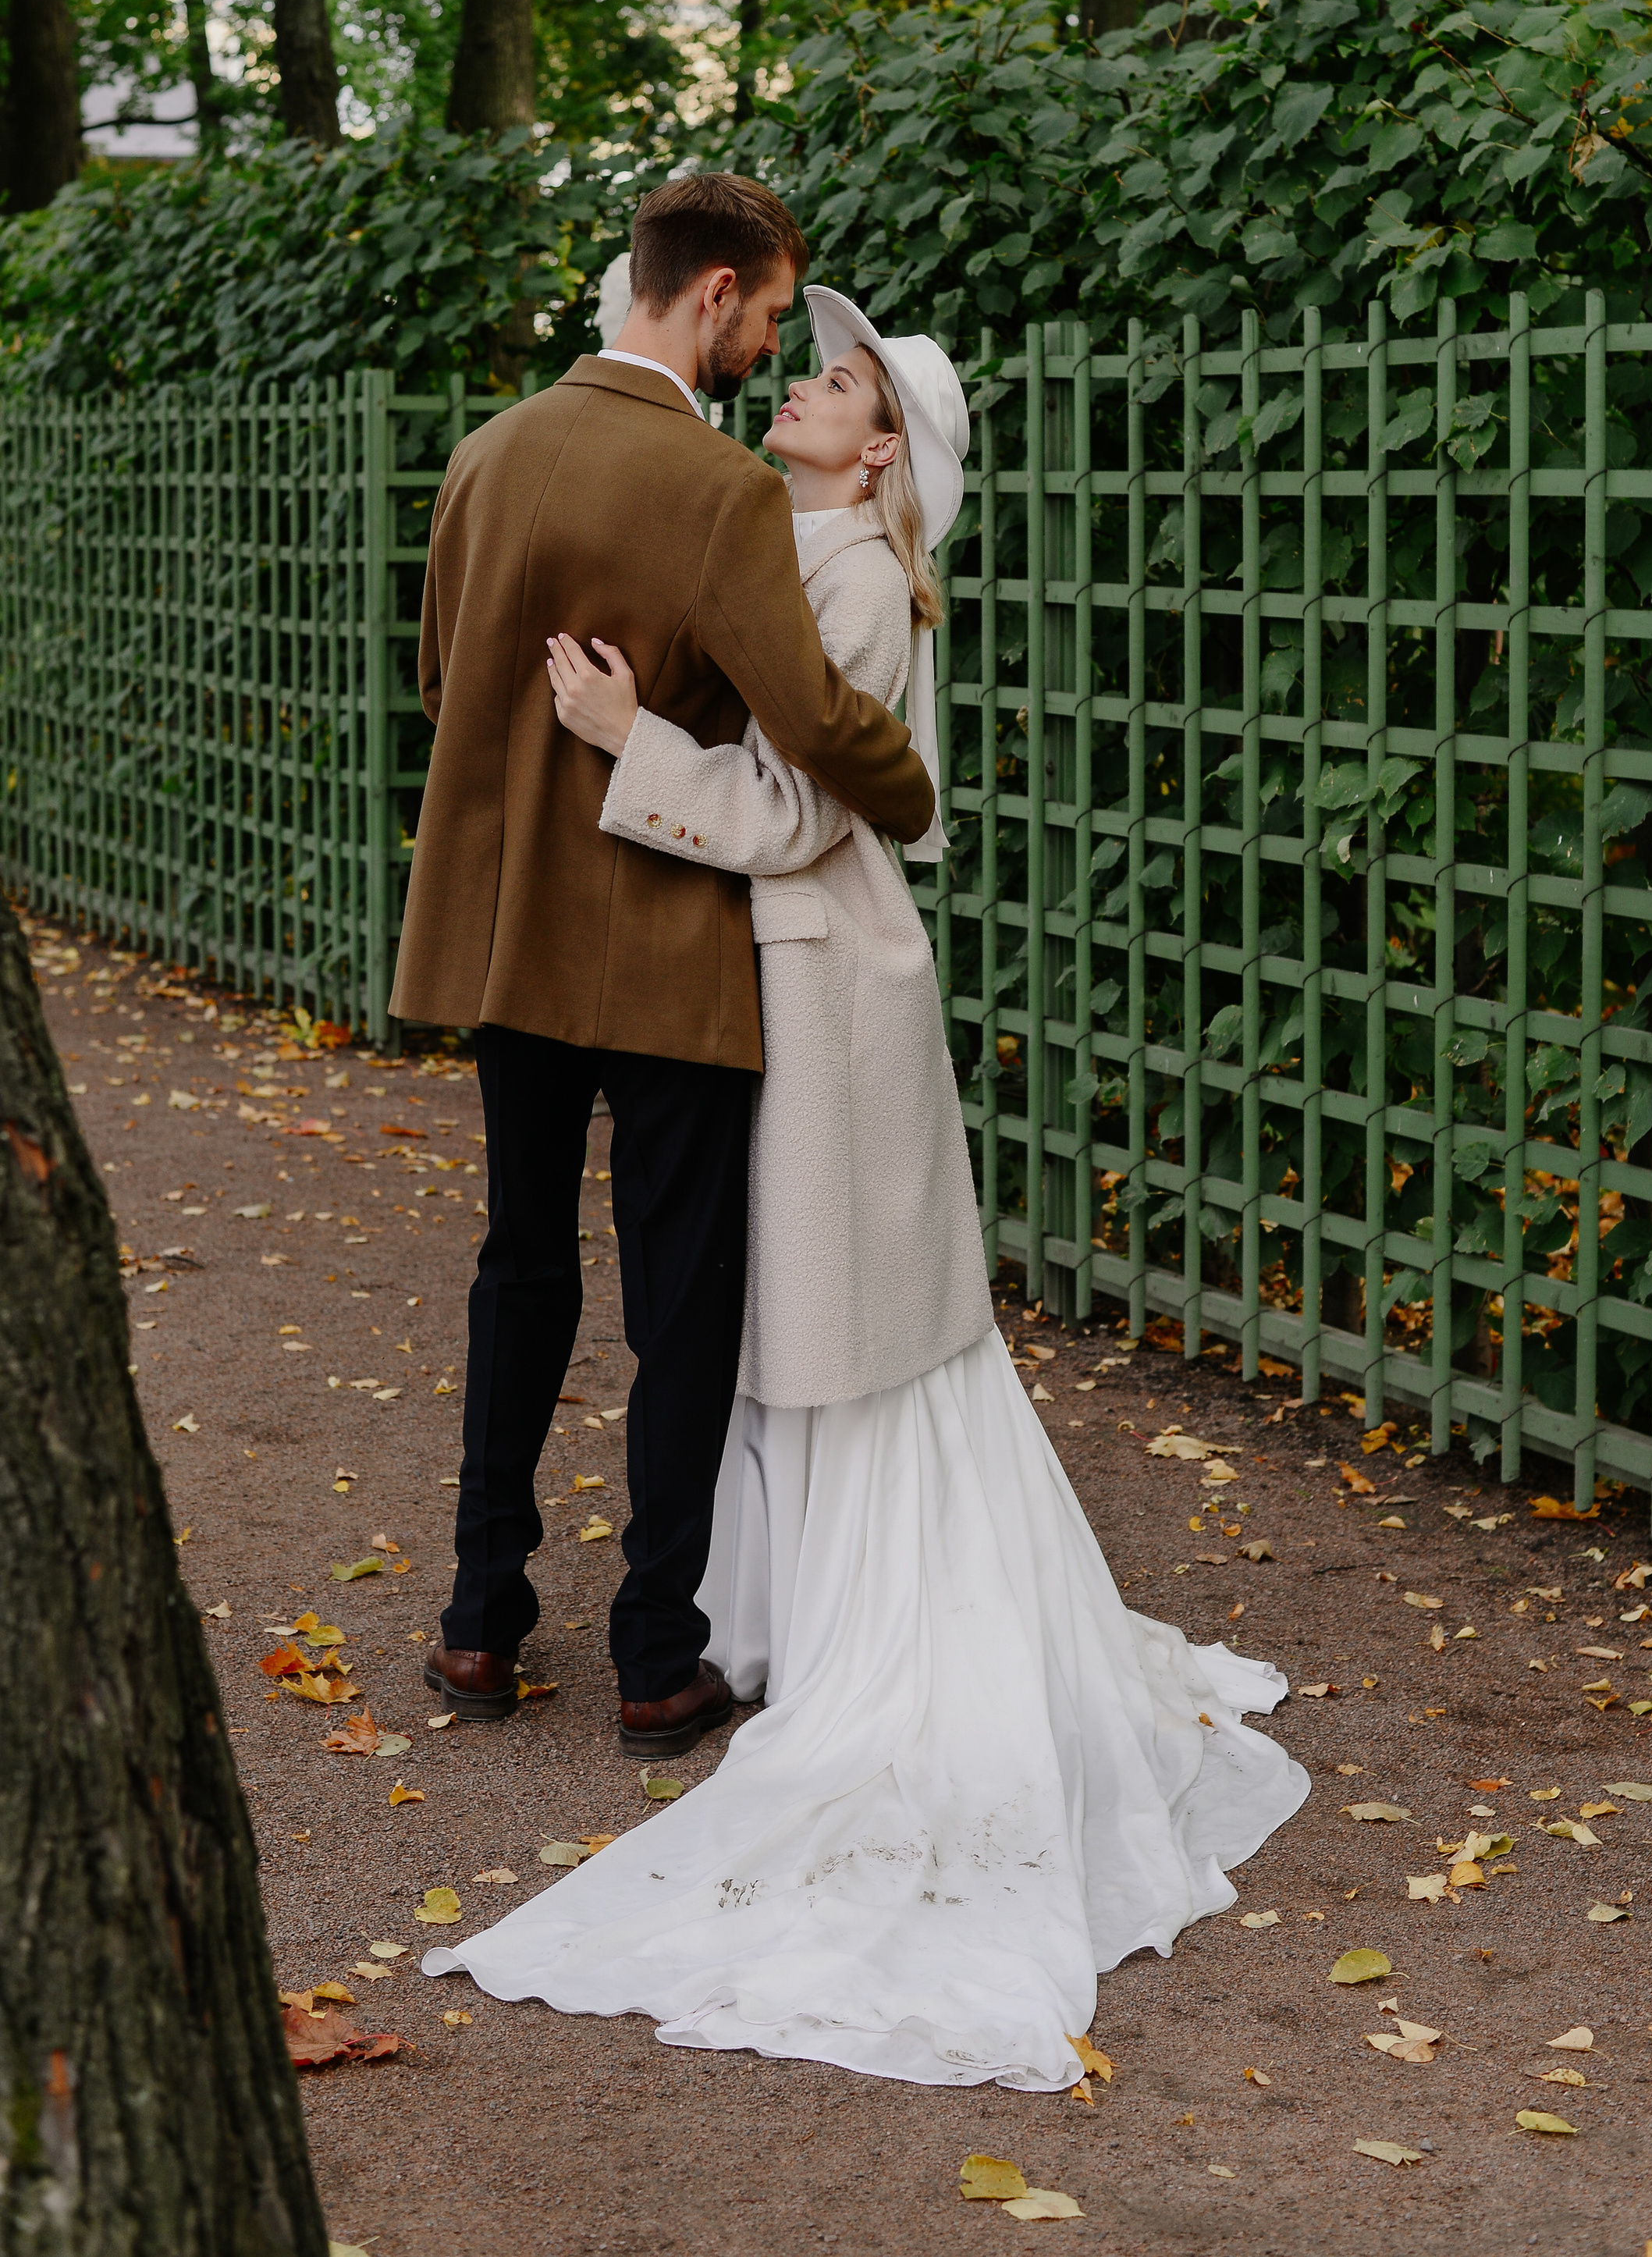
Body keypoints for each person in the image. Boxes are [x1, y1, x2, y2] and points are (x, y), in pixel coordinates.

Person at [419, 290, 1311, 2093]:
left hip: (817, 984)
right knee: (751, 1312)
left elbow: (800, 809)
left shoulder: (847, 580)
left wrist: (615, 737)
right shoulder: (781, 537)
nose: (796, 391)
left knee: (802, 1314)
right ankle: (735, 1619)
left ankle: (786, 1628)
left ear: (881, 445)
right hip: (763, 977)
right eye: (802, 364)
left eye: (827, 384)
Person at [389, 179, 936, 1758]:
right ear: (707, 296)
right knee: (679, 1304)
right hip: (668, 951)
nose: (769, 345)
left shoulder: (486, 457)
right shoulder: (714, 494)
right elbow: (818, 727)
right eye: (767, 318)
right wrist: (910, 793)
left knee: (517, 1269)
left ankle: (478, 1622)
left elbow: (444, 682)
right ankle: (652, 1653)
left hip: (509, 936)